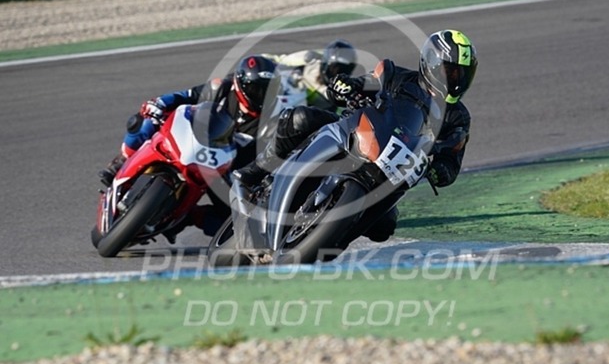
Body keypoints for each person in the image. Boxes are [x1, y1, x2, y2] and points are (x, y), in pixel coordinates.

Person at [235, 29, 478, 242]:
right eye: (450, 72)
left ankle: (330, 238)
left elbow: (451, 164)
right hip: (354, 131)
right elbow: (362, 83)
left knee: (384, 228)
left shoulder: (458, 117)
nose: (455, 80)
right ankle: (255, 172)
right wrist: (346, 86)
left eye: (462, 74)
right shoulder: (394, 75)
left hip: (390, 175)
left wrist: (438, 170)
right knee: (299, 119)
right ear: (431, 63)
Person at [98, 55, 283, 240]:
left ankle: (187, 217)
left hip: (225, 168)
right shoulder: (221, 88)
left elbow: (268, 157)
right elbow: (186, 96)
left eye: (269, 91)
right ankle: (123, 159)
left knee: (233, 221)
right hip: (194, 139)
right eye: (257, 89)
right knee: (142, 121)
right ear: (241, 84)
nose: (262, 96)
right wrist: (159, 103)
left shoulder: (274, 120)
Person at [264, 39, 358, 111]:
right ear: (327, 63)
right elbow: (279, 60)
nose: (338, 74)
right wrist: (263, 61)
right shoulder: (310, 59)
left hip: (302, 112)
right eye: (335, 69)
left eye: (345, 71)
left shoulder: (340, 92)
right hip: (287, 90)